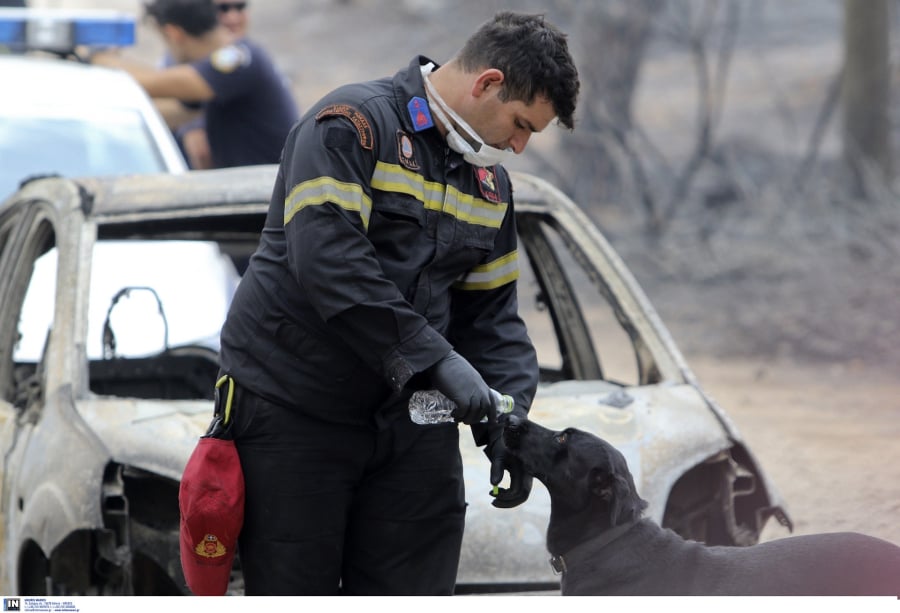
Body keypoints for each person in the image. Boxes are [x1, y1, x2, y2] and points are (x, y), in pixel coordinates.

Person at [218, 11, 580, 595]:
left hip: (412, 424)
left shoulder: (491, 188)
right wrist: (438, 362)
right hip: (294, 413)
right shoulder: (351, 125)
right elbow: (330, 264)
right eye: (520, 124)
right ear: (486, 83)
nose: (519, 145)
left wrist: (509, 422)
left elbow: (492, 319)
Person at [91, 0, 297, 169]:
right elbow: (171, 111)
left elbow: (153, 83)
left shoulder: (238, 59)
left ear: (173, 33)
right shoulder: (222, 70)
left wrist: (96, 61)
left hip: (266, 197)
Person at [162, 0, 254, 168]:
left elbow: (201, 152)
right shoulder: (186, 57)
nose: (233, 17)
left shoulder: (241, 57)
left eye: (240, 7)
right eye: (223, 9)